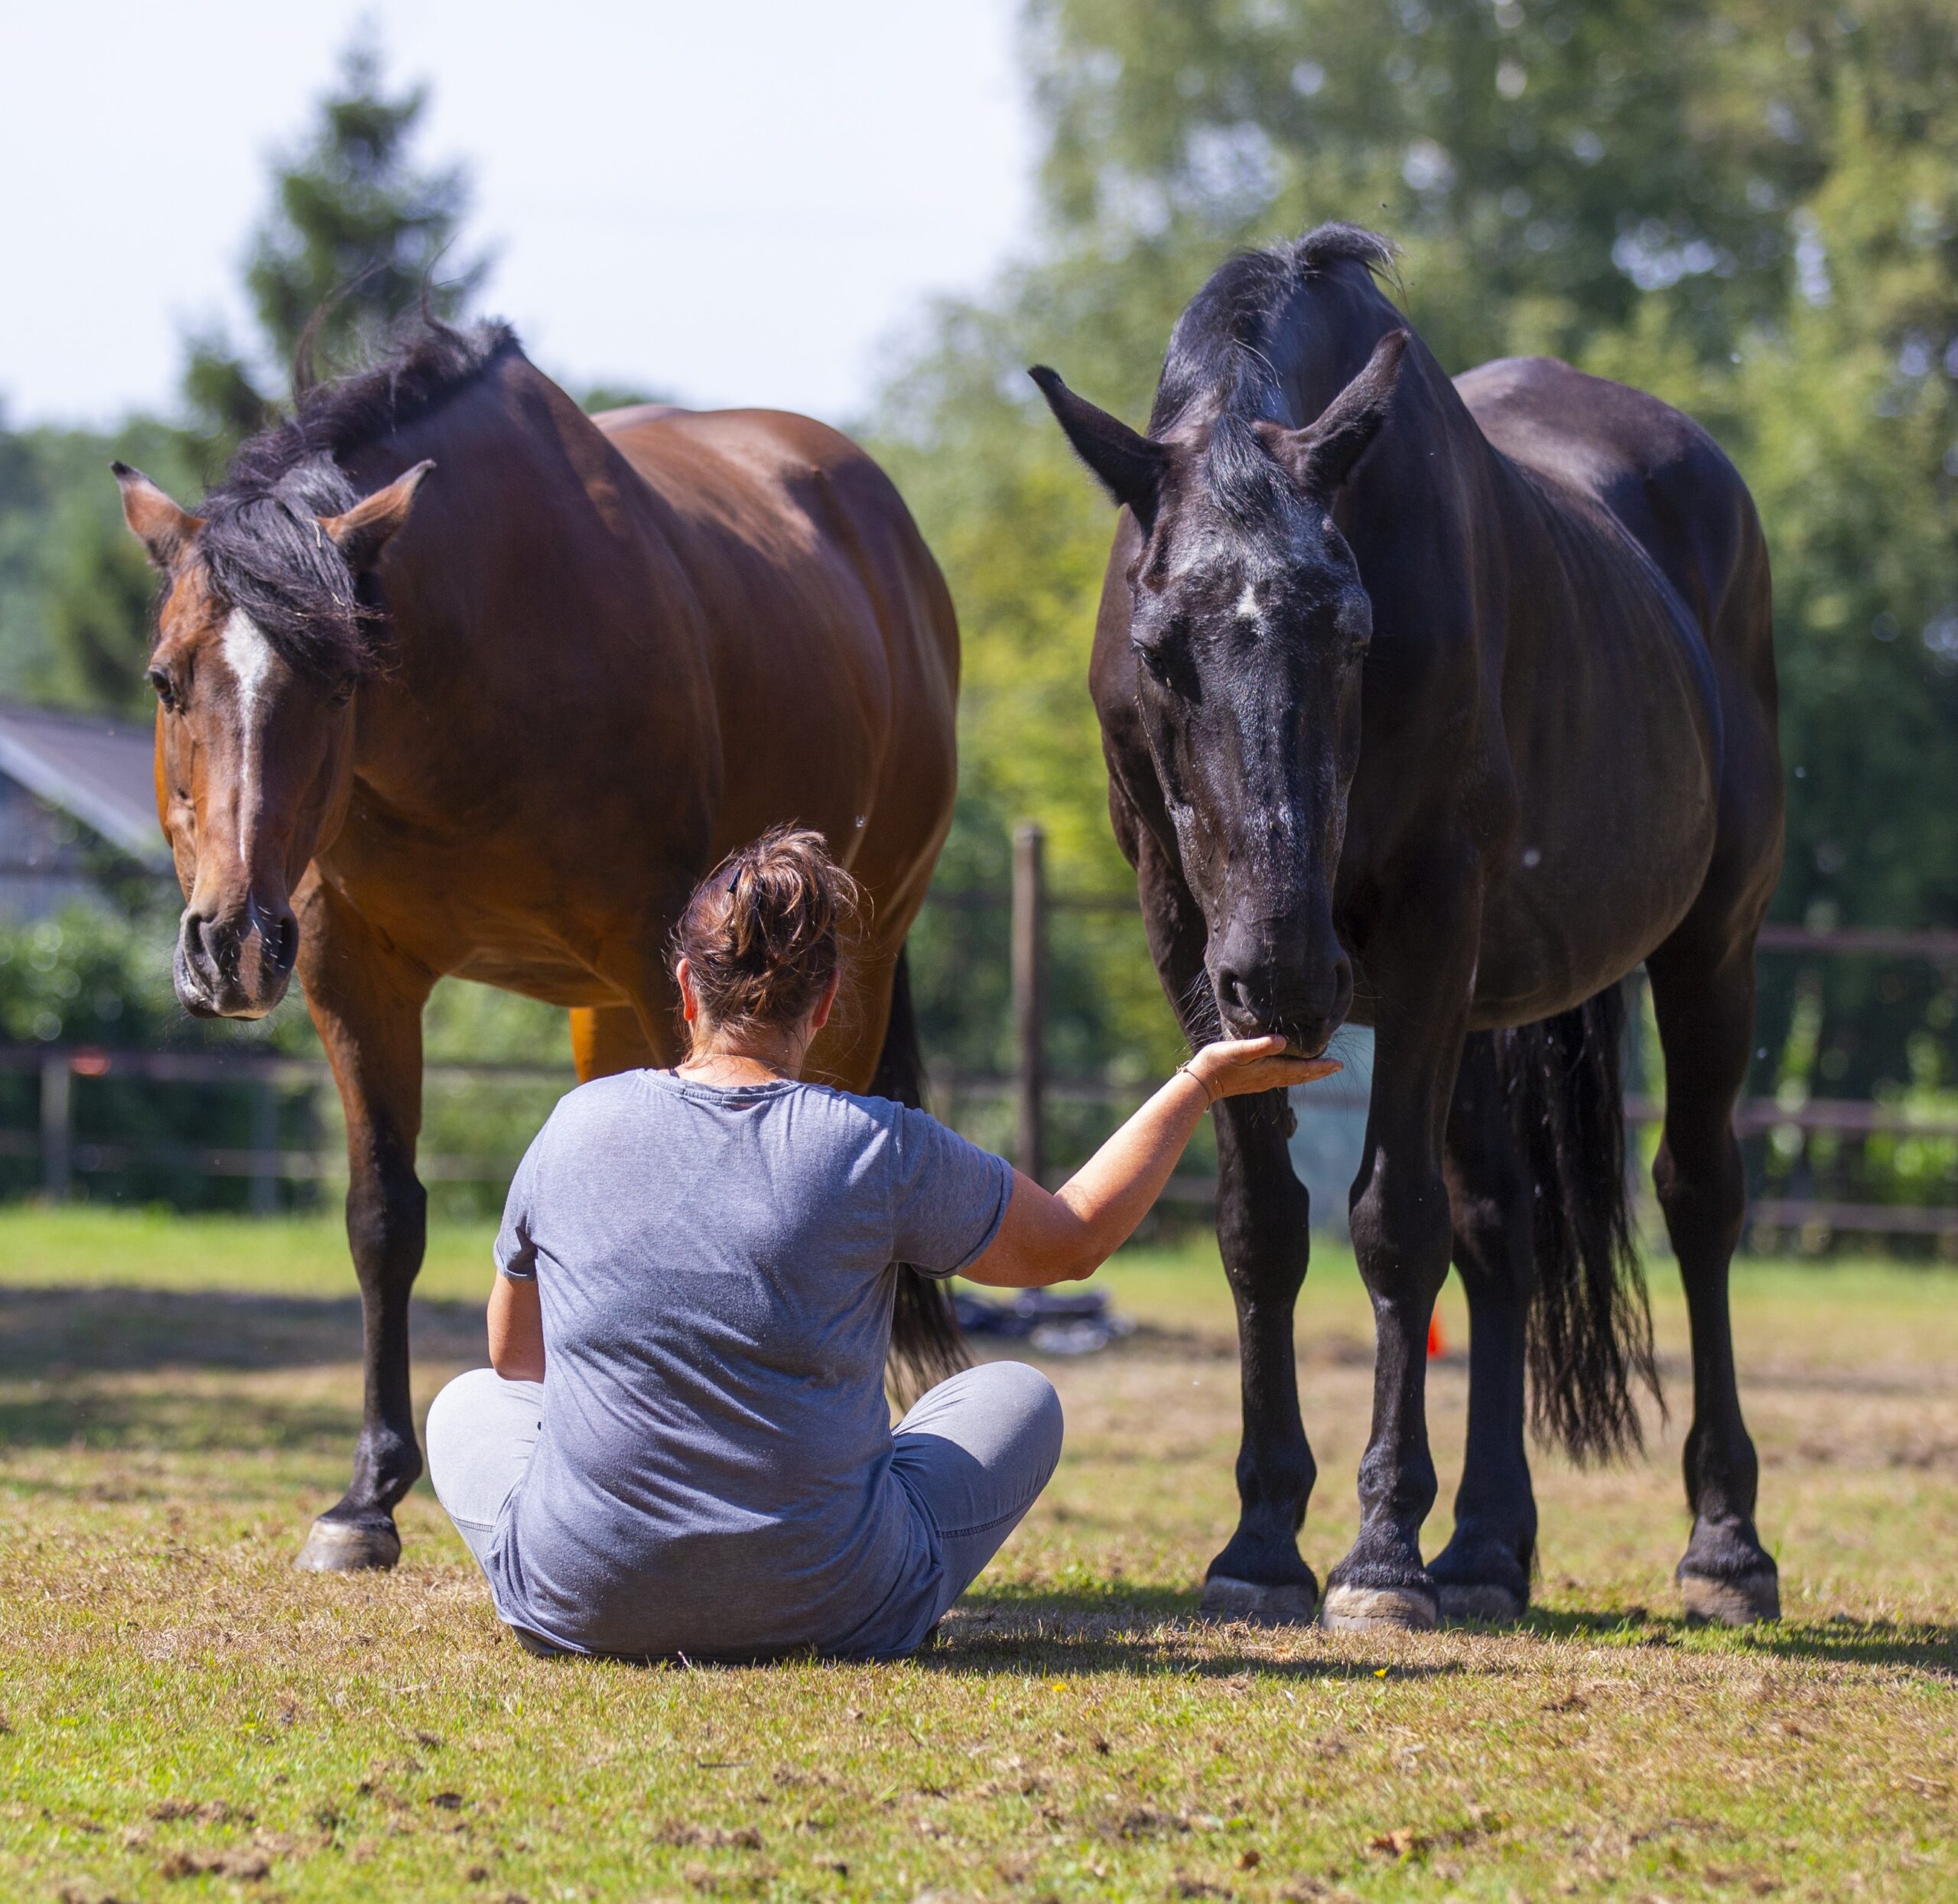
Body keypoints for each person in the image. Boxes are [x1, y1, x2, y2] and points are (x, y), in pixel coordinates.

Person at [426, 826, 1338, 1661]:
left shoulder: (574, 1124)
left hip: (581, 1601)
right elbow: (1072, 1241)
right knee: (1017, 1395)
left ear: (683, 990)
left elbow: (518, 1365)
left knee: (465, 1403)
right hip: (836, 1606)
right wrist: (1197, 1086)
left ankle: (600, 1560)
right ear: (826, 1002)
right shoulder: (873, 1145)